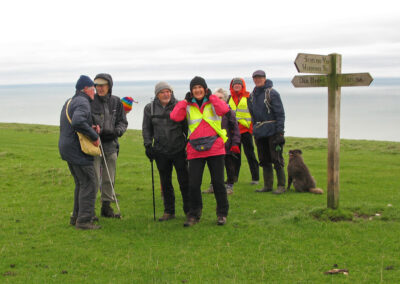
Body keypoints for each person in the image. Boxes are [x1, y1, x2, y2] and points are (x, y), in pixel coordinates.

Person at [170, 76, 230, 226]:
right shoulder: (188, 105)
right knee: (194, 184)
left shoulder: (213, 102)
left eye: (200, 87)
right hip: (195, 149)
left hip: (215, 148)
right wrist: (184, 102)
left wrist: (212, 97)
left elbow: (224, 110)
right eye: (194, 88)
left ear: (205, 88)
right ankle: (194, 215)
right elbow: (175, 117)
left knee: (218, 183)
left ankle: (222, 214)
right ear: (191, 91)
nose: (197, 90)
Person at [142, 82, 190, 221]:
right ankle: (169, 211)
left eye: (168, 91)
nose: (166, 94)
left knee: (184, 181)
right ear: (157, 94)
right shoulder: (149, 108)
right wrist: (147, 146)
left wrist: (188, 144)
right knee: (165, 182)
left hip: (179, 149)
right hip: (160, 151)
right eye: (162, 92)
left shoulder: (179, 106)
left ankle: (189, 211)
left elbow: (187, 127)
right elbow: (146, 128)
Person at [58, 75, 101, 230]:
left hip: (67, 148)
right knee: (90, 183)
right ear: (85, 89)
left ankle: (76, 217)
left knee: (81, 183)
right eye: (93, 89)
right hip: (78, 150)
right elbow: (77, 121)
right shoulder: (83, 101)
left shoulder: (70, 101)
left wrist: (90, 126)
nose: (95, 92)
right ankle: (84, 221)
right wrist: (94, 136)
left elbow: (76, 122)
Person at [91, 73, 128, 217]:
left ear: (109, 86)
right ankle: (90, 210)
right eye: (97, 86)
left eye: (103, 85)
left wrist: (116, 132)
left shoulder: (116, 101)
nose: (99, 88)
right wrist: (94, 133)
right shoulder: (90, 101)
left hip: (111, 144)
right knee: (93, 178)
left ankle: (106, 207)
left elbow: (122, 122)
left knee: (109, 178)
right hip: (94, 145)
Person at [248, 70, 286, 194]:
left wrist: (280, 133)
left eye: (260, 77)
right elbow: (252, 115)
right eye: (255, 78)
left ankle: (281, 185)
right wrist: (254, 129)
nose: (258, 80)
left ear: (265, 78)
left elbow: (280, 114)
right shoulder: (252, 96)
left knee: (276, 158)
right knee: (264, 159)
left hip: (273, 131)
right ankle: (267, 185)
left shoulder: (272, 93)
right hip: (259, 132)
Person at [203, 88, 240, 195]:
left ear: (225, 99)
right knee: (213, 166)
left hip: (227, 144)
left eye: (220, 98)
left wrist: (235, 143)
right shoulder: (209, 111)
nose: (218, 100)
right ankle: (213, 186)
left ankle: (229, 186)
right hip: (213, 144)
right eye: (216, 97)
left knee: (229, 166)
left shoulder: (229, 112)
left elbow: (235, 128)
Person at [228, 77, 260, 185]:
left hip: (245, 130)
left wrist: (252, 128)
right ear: (232, 86)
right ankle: (234, 177)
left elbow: (254, 112)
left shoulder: (248, 97)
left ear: (242, 86)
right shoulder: (229, 98)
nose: (237, 86)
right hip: (233, 132)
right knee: (235, 155)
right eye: (235, 84)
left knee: (250, 154)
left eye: (239, 84)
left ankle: (255, 178)